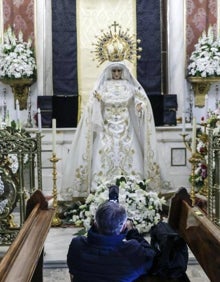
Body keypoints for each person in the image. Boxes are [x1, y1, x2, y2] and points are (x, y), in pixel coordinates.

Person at [61, 22, 161, 200]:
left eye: (119, 70)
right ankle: (100, 193)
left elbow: (141, 101)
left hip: (126, 130)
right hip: (106, 130)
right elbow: (92, 107)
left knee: (130, 158)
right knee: (103, 156)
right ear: (109, 71)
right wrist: (96, 103)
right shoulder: (103, 87)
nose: (116, 74)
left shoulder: (130, 86)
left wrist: (140, 107)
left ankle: (132, 192)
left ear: (123, 71)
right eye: (113, 70)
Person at [67, 200, 156, 282]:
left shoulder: (77, 245)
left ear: (95, 223)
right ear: (124, 227)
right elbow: (151, 256)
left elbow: (73, 270)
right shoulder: (132, 251)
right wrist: (132, 233)